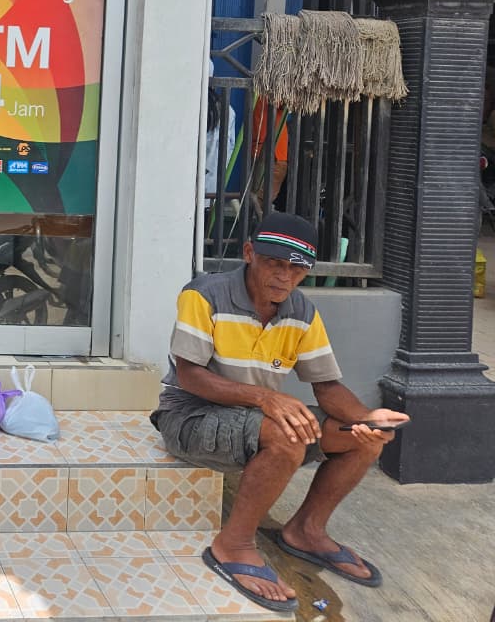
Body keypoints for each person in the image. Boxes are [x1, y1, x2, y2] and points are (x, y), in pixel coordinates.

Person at [150, 211, 410, 613]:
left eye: (296, 269)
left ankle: (306, 531)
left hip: (254, 421)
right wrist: (265, 398)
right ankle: (233, 545)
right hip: (190, 417)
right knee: (286, 433)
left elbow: (327, 388)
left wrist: (367, 419)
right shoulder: (204, 295)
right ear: (249, 253)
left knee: (362, 442)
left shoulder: (302, 311)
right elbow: (190, 376)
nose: (284, 277)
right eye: (273, 262)